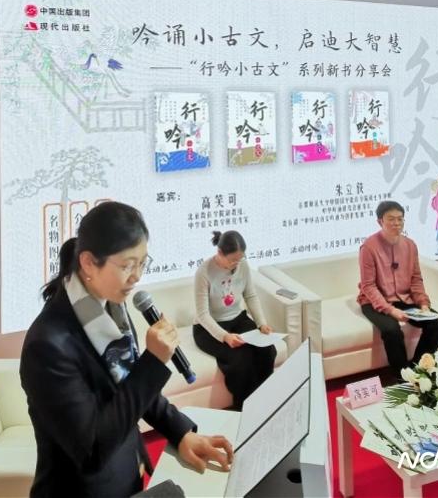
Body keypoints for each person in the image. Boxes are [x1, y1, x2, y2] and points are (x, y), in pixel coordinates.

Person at [20, 202, 232, 497]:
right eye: (127, 265)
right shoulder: (48, 346)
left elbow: (129, 386)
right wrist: (153, 362)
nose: (137, 276)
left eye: (142, 263)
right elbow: (91, 450)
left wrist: (180, 432)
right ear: (88, 263)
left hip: (128, 474)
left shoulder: (111, 305)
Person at [357, 201, 438, 378]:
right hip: (374, 302)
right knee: (391, 330)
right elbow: (368, 286)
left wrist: (423, 304)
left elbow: (416, 279)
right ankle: (402, 377)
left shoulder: (410, 245)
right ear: (380, 221)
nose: (396, 223)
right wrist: (391, 311)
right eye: (391, 219)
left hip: (404, 299)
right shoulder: (368, 247)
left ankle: (417, 369)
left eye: (400, 219)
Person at [193, 230, 276, 410]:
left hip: (237, 318)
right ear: (219, 253)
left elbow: (250, 295)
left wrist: (261, 323)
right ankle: (244, 406)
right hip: (208, 327)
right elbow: (202, 314)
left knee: (267, 349)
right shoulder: (204, 272)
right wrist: (225, 336)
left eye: (240, 259)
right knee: (240, 359)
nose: (236, 264)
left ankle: (264, 399)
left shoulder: (242, 265)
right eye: (232, 260)